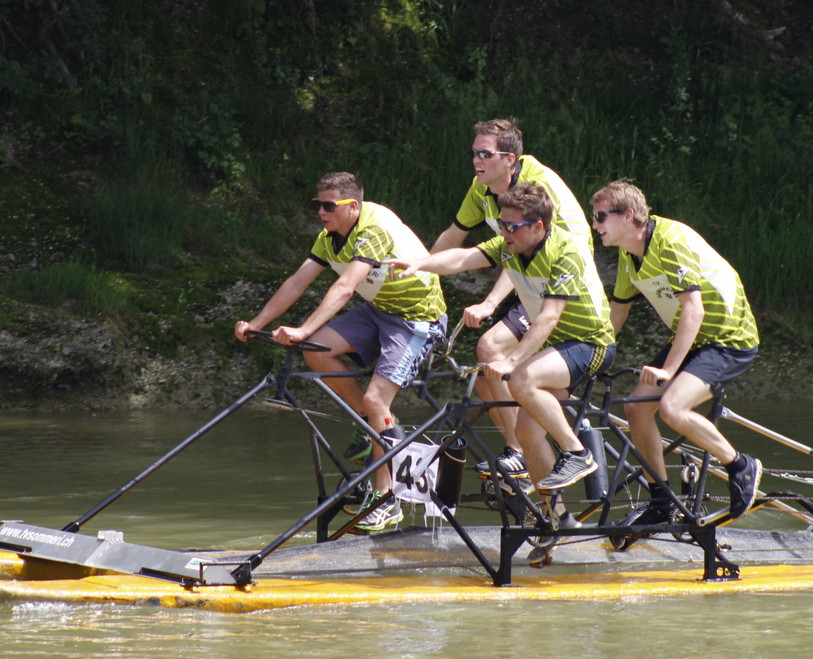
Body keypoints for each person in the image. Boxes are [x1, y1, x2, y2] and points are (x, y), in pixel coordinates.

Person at [235, 172, 447, 532]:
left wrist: (302, 328)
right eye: (317, 205)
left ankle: (388, 499)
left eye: (328, 206)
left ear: (352, 207)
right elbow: (298, 282)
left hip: (418, 320)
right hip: (380, 312)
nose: (320, 211)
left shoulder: (373, 229)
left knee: (377, 400)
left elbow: (347, 286)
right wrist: (257, 322)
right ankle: (368, 425)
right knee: (316, 352)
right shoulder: (329, 237)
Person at [390, 182, 615, 492]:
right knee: (526, 435)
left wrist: (511, 360)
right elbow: (463, 259)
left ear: (538, 227)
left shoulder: (567, 251)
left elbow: (549, 316)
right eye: (501, 224)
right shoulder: (510, 246)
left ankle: (578, 453)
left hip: (591, 343)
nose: (504, 231)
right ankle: (556, 518)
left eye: (512, 226)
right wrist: (420, 264)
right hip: (556, 348)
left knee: (520, 378)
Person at [590, 180, 761, 534]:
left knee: (672, 408)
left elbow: (693, 311)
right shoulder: (628, 255)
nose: (595, 225)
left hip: (728, 338)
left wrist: (668, 371)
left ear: (630, 215)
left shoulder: (671, 241)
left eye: (602, 216)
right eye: (595, 218)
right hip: (693, 336)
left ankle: (740, 465)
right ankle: (662, 503)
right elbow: (617, 314)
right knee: (637, 407)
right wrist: (590, 356)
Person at [431, 118, 593, 484]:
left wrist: (489, 304)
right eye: (474, 152)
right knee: (488, 375)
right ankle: (527, 455)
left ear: (510, 158)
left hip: (559, 283)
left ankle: (517, 453)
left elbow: (525, 253)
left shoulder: (537, 189)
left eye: (484, 154)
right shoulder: (482, 187)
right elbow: (454, 236)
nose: (476, 160)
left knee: (491, 345)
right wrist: (420, 272)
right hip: (527, 276)